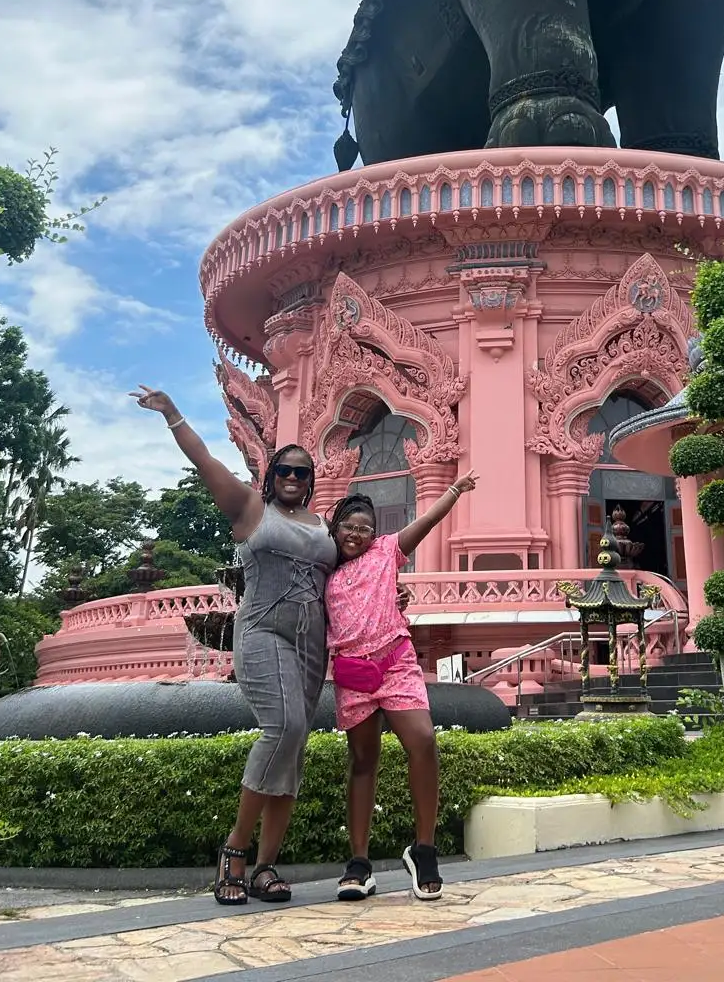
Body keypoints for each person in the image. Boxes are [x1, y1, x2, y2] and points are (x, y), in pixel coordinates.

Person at [132, 385, 335, 907]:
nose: (293, 478)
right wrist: (173, 412)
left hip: (312, 644)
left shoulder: (322, 525)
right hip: (263, 632)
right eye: (285, 470)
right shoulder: (249, 508)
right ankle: (234, 851)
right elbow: (205, 461)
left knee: (294, 749)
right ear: (271, 478)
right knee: (283, 727)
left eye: (302, 472)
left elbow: (362, 561)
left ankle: (267, 865)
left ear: (312, 482)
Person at [328, 472, 477, 903]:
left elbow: (424, 524)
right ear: (335, 529)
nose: (356, 535)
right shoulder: (322, 567)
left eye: (364, 528)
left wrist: (454, 490)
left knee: (423, 740)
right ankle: (358, 862)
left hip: (395, 661)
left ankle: (424, 848)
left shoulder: (385, 551)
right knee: (362, 762)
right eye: (349, 527)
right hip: (354, 672)